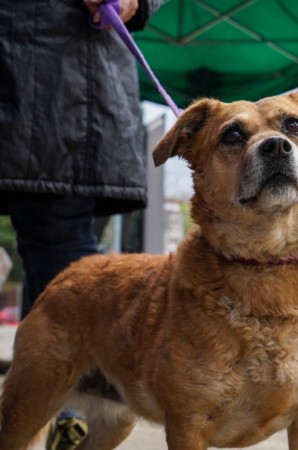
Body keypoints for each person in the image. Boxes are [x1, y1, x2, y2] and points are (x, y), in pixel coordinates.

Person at [0, 0, 162, 448]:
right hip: (52, 90)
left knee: (59, 254)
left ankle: (72, 400)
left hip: (77, 99)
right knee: (58, 256)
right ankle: (68, 397)